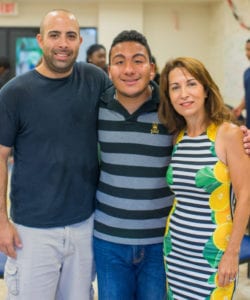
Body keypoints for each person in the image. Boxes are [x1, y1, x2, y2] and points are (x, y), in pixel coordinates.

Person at [0, 9, 111, 300]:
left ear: (79, 42)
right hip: (33, 231)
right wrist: (1, 221)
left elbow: (135, 106)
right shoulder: (14, 93)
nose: (63, 43)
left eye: (70, 36)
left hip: (85, 224)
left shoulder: (95, 79)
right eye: (55, 35)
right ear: (40, 40)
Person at [159, 57, 250, 299]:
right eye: (175, 87)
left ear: (206, 90)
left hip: (215, 253)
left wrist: (232, 252)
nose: (183, 94)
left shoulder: (228, 133)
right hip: (176, 249)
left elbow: (245, 197)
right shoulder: (177, 137)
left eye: (191, 84)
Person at [93, 30, 174, 300]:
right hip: (109, 240)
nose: (128, 69)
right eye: (119, 61)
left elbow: (210, 131)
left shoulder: (173, 109)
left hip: (159, 242)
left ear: (152, 68)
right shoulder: (96, 106)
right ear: (108, 69)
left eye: (138, 60)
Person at [233, 39, 250, 128]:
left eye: (249, 50)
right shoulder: (246, 73)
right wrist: (240, 107)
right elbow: (247, 94)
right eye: (246, 49)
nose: (247, 53)